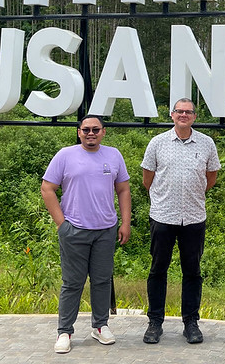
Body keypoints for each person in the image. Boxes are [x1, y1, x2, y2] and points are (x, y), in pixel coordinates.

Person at [41, 114, 132, 354]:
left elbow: (123, 189)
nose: (91, 133)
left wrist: (125, 223)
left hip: (105, 230)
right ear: (79, 132)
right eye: (86, 129)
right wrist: (62, 224)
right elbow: (47, 188)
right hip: (74, 230)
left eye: (95, 129)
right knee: (72, 283)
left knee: (102, 280)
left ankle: (100, 326)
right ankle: (64, 332)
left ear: (103, 132)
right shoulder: (65, 155)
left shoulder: (114, 155)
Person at [141, 98, 221, 344]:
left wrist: (192, 193)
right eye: (179, 111)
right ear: (172, 114)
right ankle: (155, 322)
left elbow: (211, 177)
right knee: (158, 270)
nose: (183, 115)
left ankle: (191, 323)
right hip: (163, 215)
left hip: (194, 217)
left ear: (195, 116)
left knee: (192, 272)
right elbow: (147, 179)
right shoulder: (157, 143)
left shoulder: (206, 143)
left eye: (188, 112)